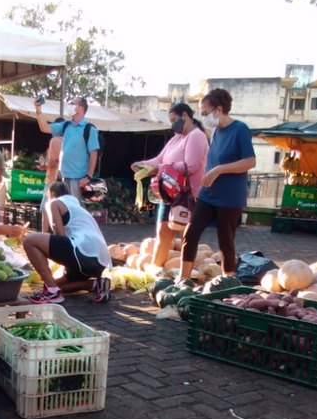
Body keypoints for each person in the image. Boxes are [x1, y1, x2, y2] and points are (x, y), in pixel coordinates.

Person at [179, 88, 256, 279]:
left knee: (225, 242)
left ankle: (227, 282)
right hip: (208, 194)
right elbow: (212, 161)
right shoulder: (215, 132)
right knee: (191, 233)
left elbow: (250, 161)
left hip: (230, 197)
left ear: (219, 110)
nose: (203, 117)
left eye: (205, 113)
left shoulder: (240, 129)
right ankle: (182, 279)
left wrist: (220, 169)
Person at [131, 103, 209, 272]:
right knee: (163, 233)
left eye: (174, 120)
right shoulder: (176, 138)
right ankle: (155, 269)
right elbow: (160, 159)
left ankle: (186, 274)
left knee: (186, 235)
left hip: (187, 196)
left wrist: (161, 168)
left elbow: (191, 166)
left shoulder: (196, 136)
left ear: (185, 116)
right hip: (168, 193)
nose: (173, 125)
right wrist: (143, 165)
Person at [24, 181, 113, 303]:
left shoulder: (54, 203)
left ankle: (52, 293)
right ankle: (94, 284)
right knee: (57, 285)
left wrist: (47, 254)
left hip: (83, 252)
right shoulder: (78, 207)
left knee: (30, 240)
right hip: (99, 262)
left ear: (52, 193)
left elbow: (59, 235)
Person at [34, 96, 100, 200]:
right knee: (64, 211)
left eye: (73, 103)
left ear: (81, 108)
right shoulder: (66, 125)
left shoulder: (90, 129)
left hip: (78, 179)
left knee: (76, 210)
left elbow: (94, 153)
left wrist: (88, 177)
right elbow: (45, 128)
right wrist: (38, 110)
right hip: (62, 178)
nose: (70, 105)